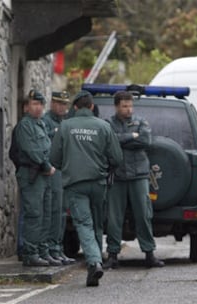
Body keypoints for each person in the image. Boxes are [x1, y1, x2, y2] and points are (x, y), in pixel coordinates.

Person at [50, 90, 122, 287]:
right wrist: (105, 168)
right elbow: (117, 158)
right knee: (97, 224)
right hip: (99, 183)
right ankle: (94, 265)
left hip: (75, 184)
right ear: (91, 107)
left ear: (75, 107)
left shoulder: (65, 126)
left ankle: (94, 262)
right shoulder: (104, 126)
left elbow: (53, 159)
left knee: (83, 223)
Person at [103, 91, 165, 269]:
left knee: (143, 215)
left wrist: (122, 140)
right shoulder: (108, 123)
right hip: (118, 175)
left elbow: (146, 141)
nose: (128, 109)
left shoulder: (141, 122)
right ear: (116, 106)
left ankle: (149, 253)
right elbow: (110, 142)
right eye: (124, 106)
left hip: (139, 175)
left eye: (130, 106)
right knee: (114, 217)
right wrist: (132, 136)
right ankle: (113, 254)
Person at [15, 89, 56, 266]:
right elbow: (31, 150)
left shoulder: (40, 124)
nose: (38, 108)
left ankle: (42, 250)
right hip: (32, 174)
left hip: (44, 175)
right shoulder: (25, 125)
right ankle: (30, 253)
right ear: (26, 107)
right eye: (34, 104)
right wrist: (46, 166)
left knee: (46, 214)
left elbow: (47, 148)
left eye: (40, 104)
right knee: (34, 214)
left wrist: (50, 165)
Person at [41, 91, 76, 265]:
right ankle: (49, 248)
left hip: (65, 170)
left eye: (65, 104)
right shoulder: (45, 122)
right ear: (52, 104)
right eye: (59, 104)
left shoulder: (66, 122)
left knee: (62, 212)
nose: (63, 107)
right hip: (53, 170)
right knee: (53, 210)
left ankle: (58, 247)